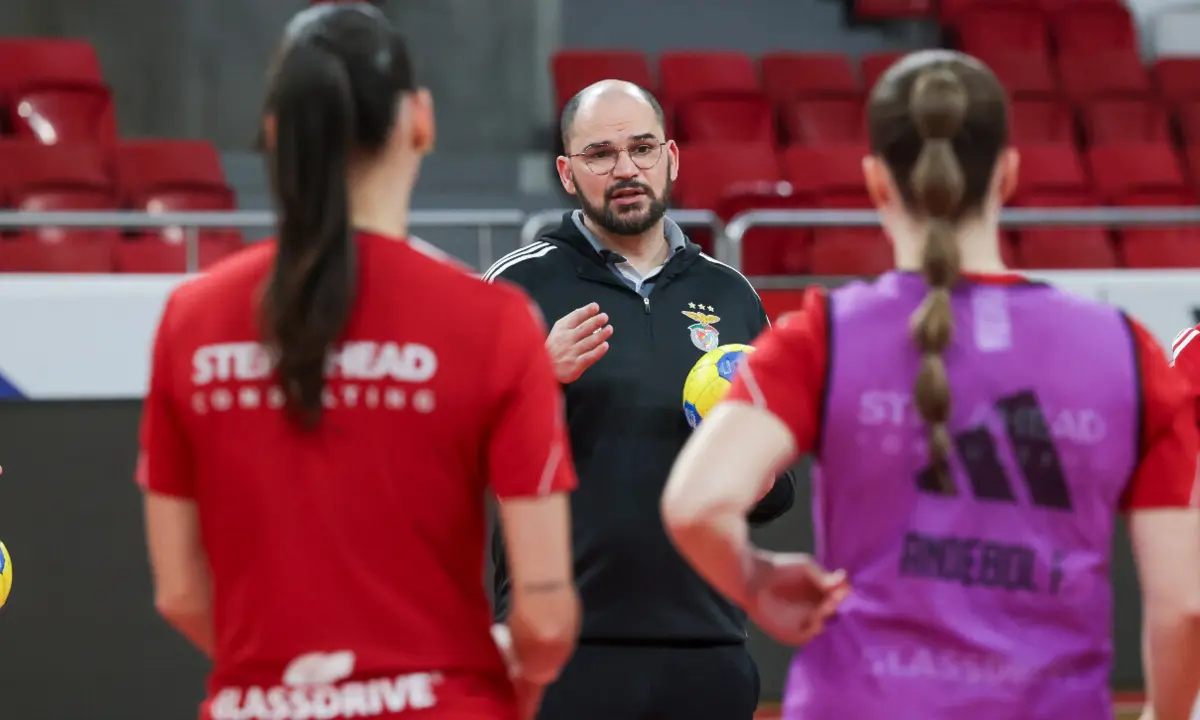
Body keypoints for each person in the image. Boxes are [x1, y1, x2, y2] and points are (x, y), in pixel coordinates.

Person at [661, 49, 1200, 720]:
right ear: (1007, 174)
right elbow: (1185, 605)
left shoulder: (822, 337)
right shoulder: (1126, 350)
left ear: (877, 183)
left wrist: (757, 580)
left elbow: (693, 505)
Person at [136, 6, 579, 720]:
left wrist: (291, 679)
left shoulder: (191, 320)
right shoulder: (492, 322)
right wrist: (508, 687)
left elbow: (180, 594)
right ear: (422, 121)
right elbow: (547, 614)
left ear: (276, 135)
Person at [482, 80, 796, 720]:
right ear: (568, 174)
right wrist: (532, 379)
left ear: (672, 159)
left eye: (642, 148)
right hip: (563, 650)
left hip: (707, 646)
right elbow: (449, 456)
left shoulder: (732, 295)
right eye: (599, 154)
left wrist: (758, 476)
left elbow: (775, 486)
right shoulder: (516, 287)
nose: (625, 169)